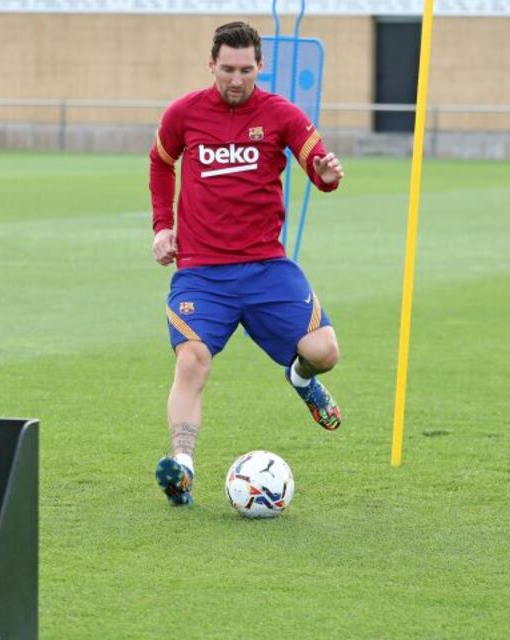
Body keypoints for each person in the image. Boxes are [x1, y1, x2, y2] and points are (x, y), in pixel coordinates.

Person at [149, 21, 345, 506]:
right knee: (191, 361)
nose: (236, 80)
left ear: (260, 67)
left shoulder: (281, 114)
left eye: (246, 70)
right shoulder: (184, 113)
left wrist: (325, 175)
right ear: (211, 64)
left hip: (265, 267)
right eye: (227, 69)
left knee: (324, 352)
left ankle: (301, 379)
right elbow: (161, 161)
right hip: (201, 273)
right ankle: (182, 467)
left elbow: (318, 164)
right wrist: (162, 226)